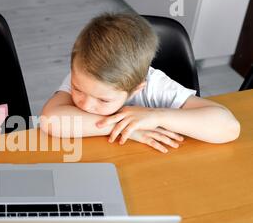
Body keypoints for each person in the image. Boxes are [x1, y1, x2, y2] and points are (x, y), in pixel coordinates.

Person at [41, 13, 240, 153]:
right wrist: (126, 128)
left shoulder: (154, 85)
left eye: (103, 100)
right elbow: (50, 121)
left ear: (137, 88)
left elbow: (229, 127)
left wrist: (156, 117)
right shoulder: (86, 74)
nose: (85, 104)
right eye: (77, 89)